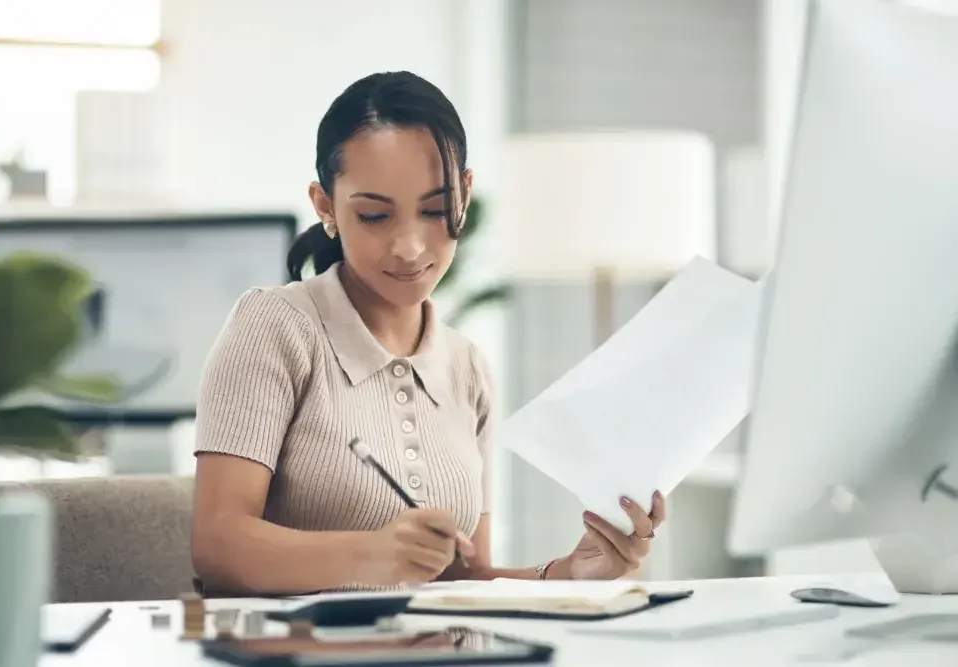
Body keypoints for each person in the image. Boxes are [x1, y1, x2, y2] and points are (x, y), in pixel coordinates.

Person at [191, 71, 667, 595]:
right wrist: (372, 553)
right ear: (325, 205)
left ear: (464, 193)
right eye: (374, 215)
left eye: (436, 210)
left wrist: (567, 574)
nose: (411, 248)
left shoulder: (467, 366)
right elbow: (218, 545)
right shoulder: (276, 328)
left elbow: (463, 578)